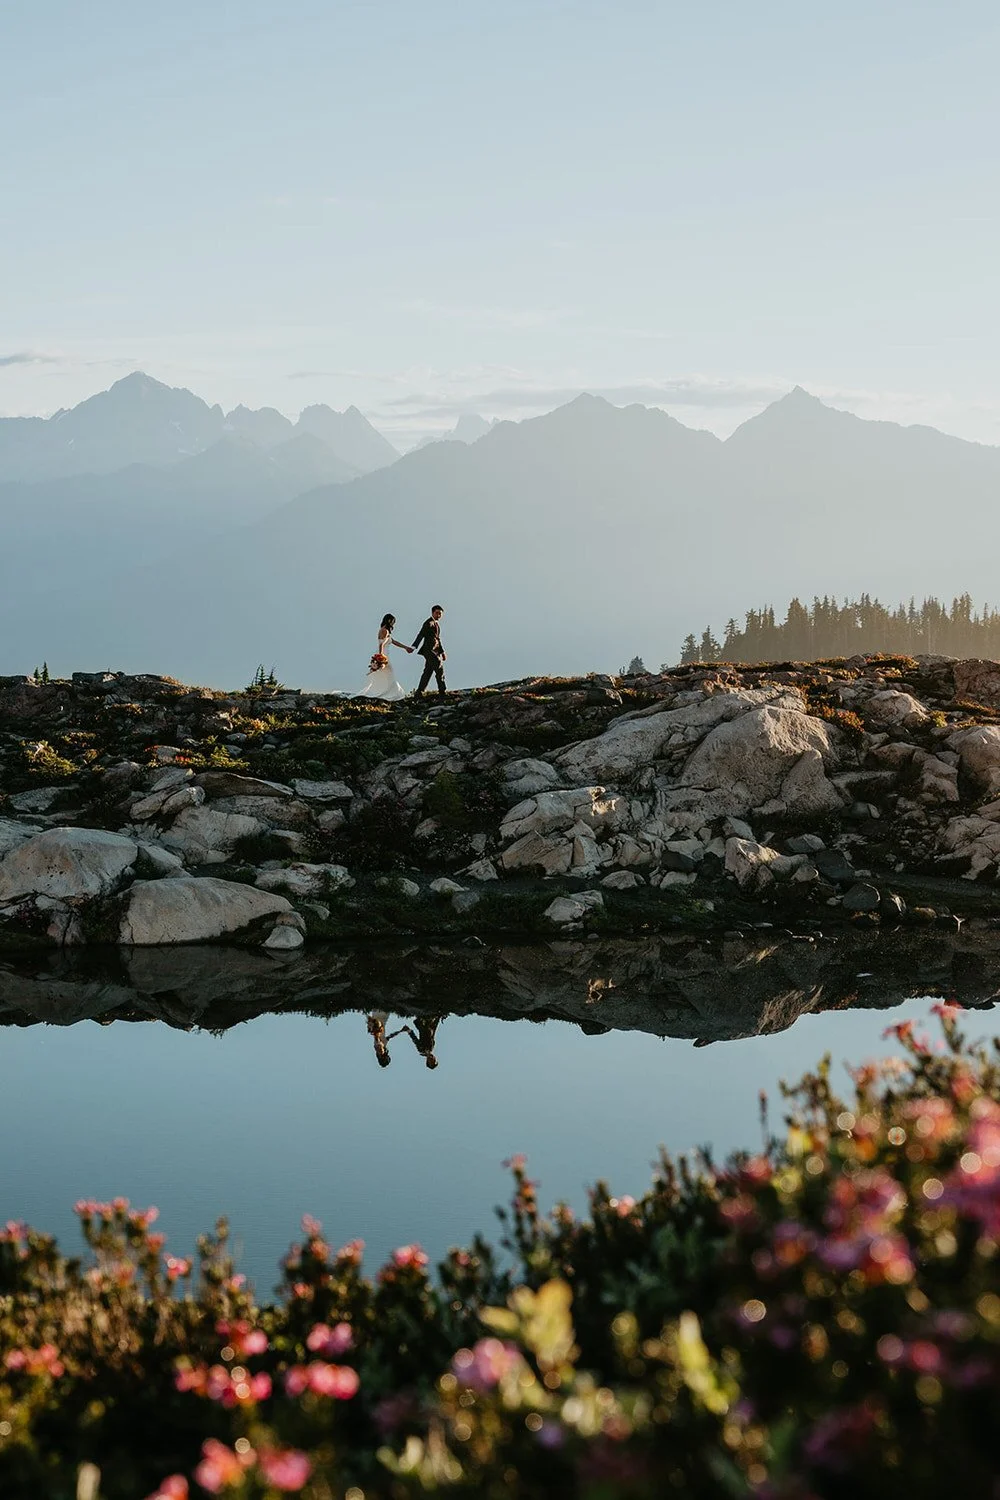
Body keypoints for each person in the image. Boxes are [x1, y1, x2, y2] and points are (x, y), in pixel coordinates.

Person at [358, 613, 413, 700]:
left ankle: (384, 692)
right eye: (393, 622)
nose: (393, 624)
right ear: (389, 621)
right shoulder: (385, 631)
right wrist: (380, 659)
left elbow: (394, 641)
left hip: (384, 654)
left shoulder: (384, 630)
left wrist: (406, 648)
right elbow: (381, 645)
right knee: (389, 674)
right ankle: (388, 694)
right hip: (383, 655)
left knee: (385, 675)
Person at [411, 604, 447, 698]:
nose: (439, 615)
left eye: (440, 614)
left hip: (435, 650)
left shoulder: (436, 624)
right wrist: (414, 646)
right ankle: (442, 691)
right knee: (439, 669)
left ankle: (419, 692)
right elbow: (421, 634)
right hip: (429, 650)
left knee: (428, 671)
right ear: (432, 613)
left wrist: (442, 652)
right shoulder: (429, 623)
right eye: (437, 613)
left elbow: (437, 639)